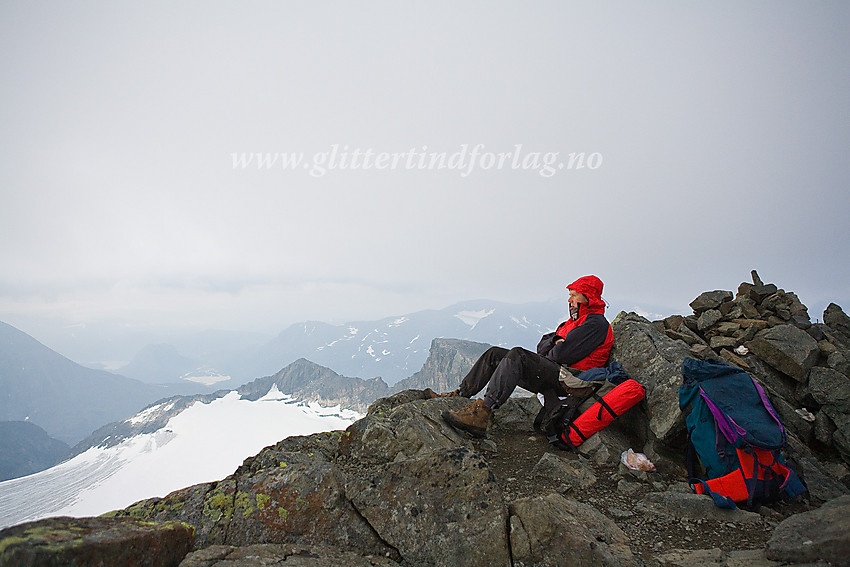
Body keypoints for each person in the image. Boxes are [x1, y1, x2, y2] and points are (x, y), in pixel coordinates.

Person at [437, 275, 614, 437]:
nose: (569, 300)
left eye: (574, 295)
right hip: (560, 374)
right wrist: (556, 341)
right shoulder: (573, 322)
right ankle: (460, 393)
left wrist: (555, 345)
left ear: (588, 297)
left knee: (518, 355)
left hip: (574, 380)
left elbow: (560, 355)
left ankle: (483, 412)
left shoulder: (595, 324)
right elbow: (542, 345)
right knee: (494, 354)